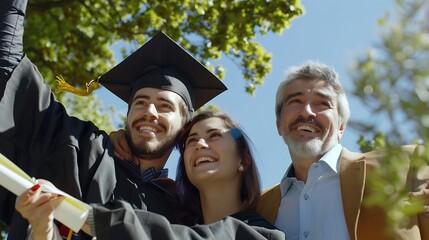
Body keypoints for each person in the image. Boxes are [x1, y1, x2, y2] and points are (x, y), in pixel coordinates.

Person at [0, 0, 227, 239]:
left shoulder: (184, 216)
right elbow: (7, 67)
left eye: (165, 106)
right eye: (140, 102)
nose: (149, 111)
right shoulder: (81, 146)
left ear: (184, 128)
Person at [15, 111, 285, 240]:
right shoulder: (170, 218)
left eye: (214, 136)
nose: (200, 145)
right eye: (191, 141)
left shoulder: (261, 234)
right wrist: (43, 226)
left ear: (243, 160)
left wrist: (81, 213)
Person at [255, 61, 429, 240]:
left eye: (322, 103)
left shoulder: (409, 165)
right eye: (295, 101)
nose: (307, 112)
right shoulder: (257, 207)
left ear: (340, 127)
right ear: (278, 125)